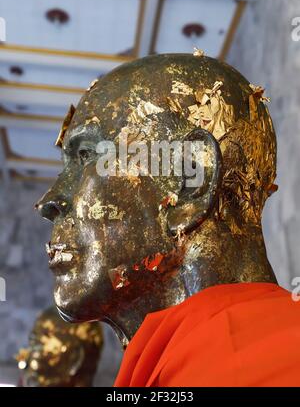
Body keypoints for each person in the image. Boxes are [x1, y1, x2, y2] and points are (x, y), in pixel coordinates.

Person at [36, 53, 300, 386]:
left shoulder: (265, 369)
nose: (48, 202)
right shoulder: (179, 372)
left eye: (87, 155)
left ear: (191, 180)